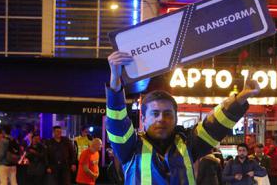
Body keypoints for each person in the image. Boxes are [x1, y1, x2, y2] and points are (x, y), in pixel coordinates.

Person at [106, 51, 260, 184]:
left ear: (176, 118)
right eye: (155, 114)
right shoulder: (129, 147)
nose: (161, 118)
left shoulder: (188, 144)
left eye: (167, 113)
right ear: (144, 119)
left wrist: (240, 98)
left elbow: (215, 125)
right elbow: (116, 122)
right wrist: (115, 81)